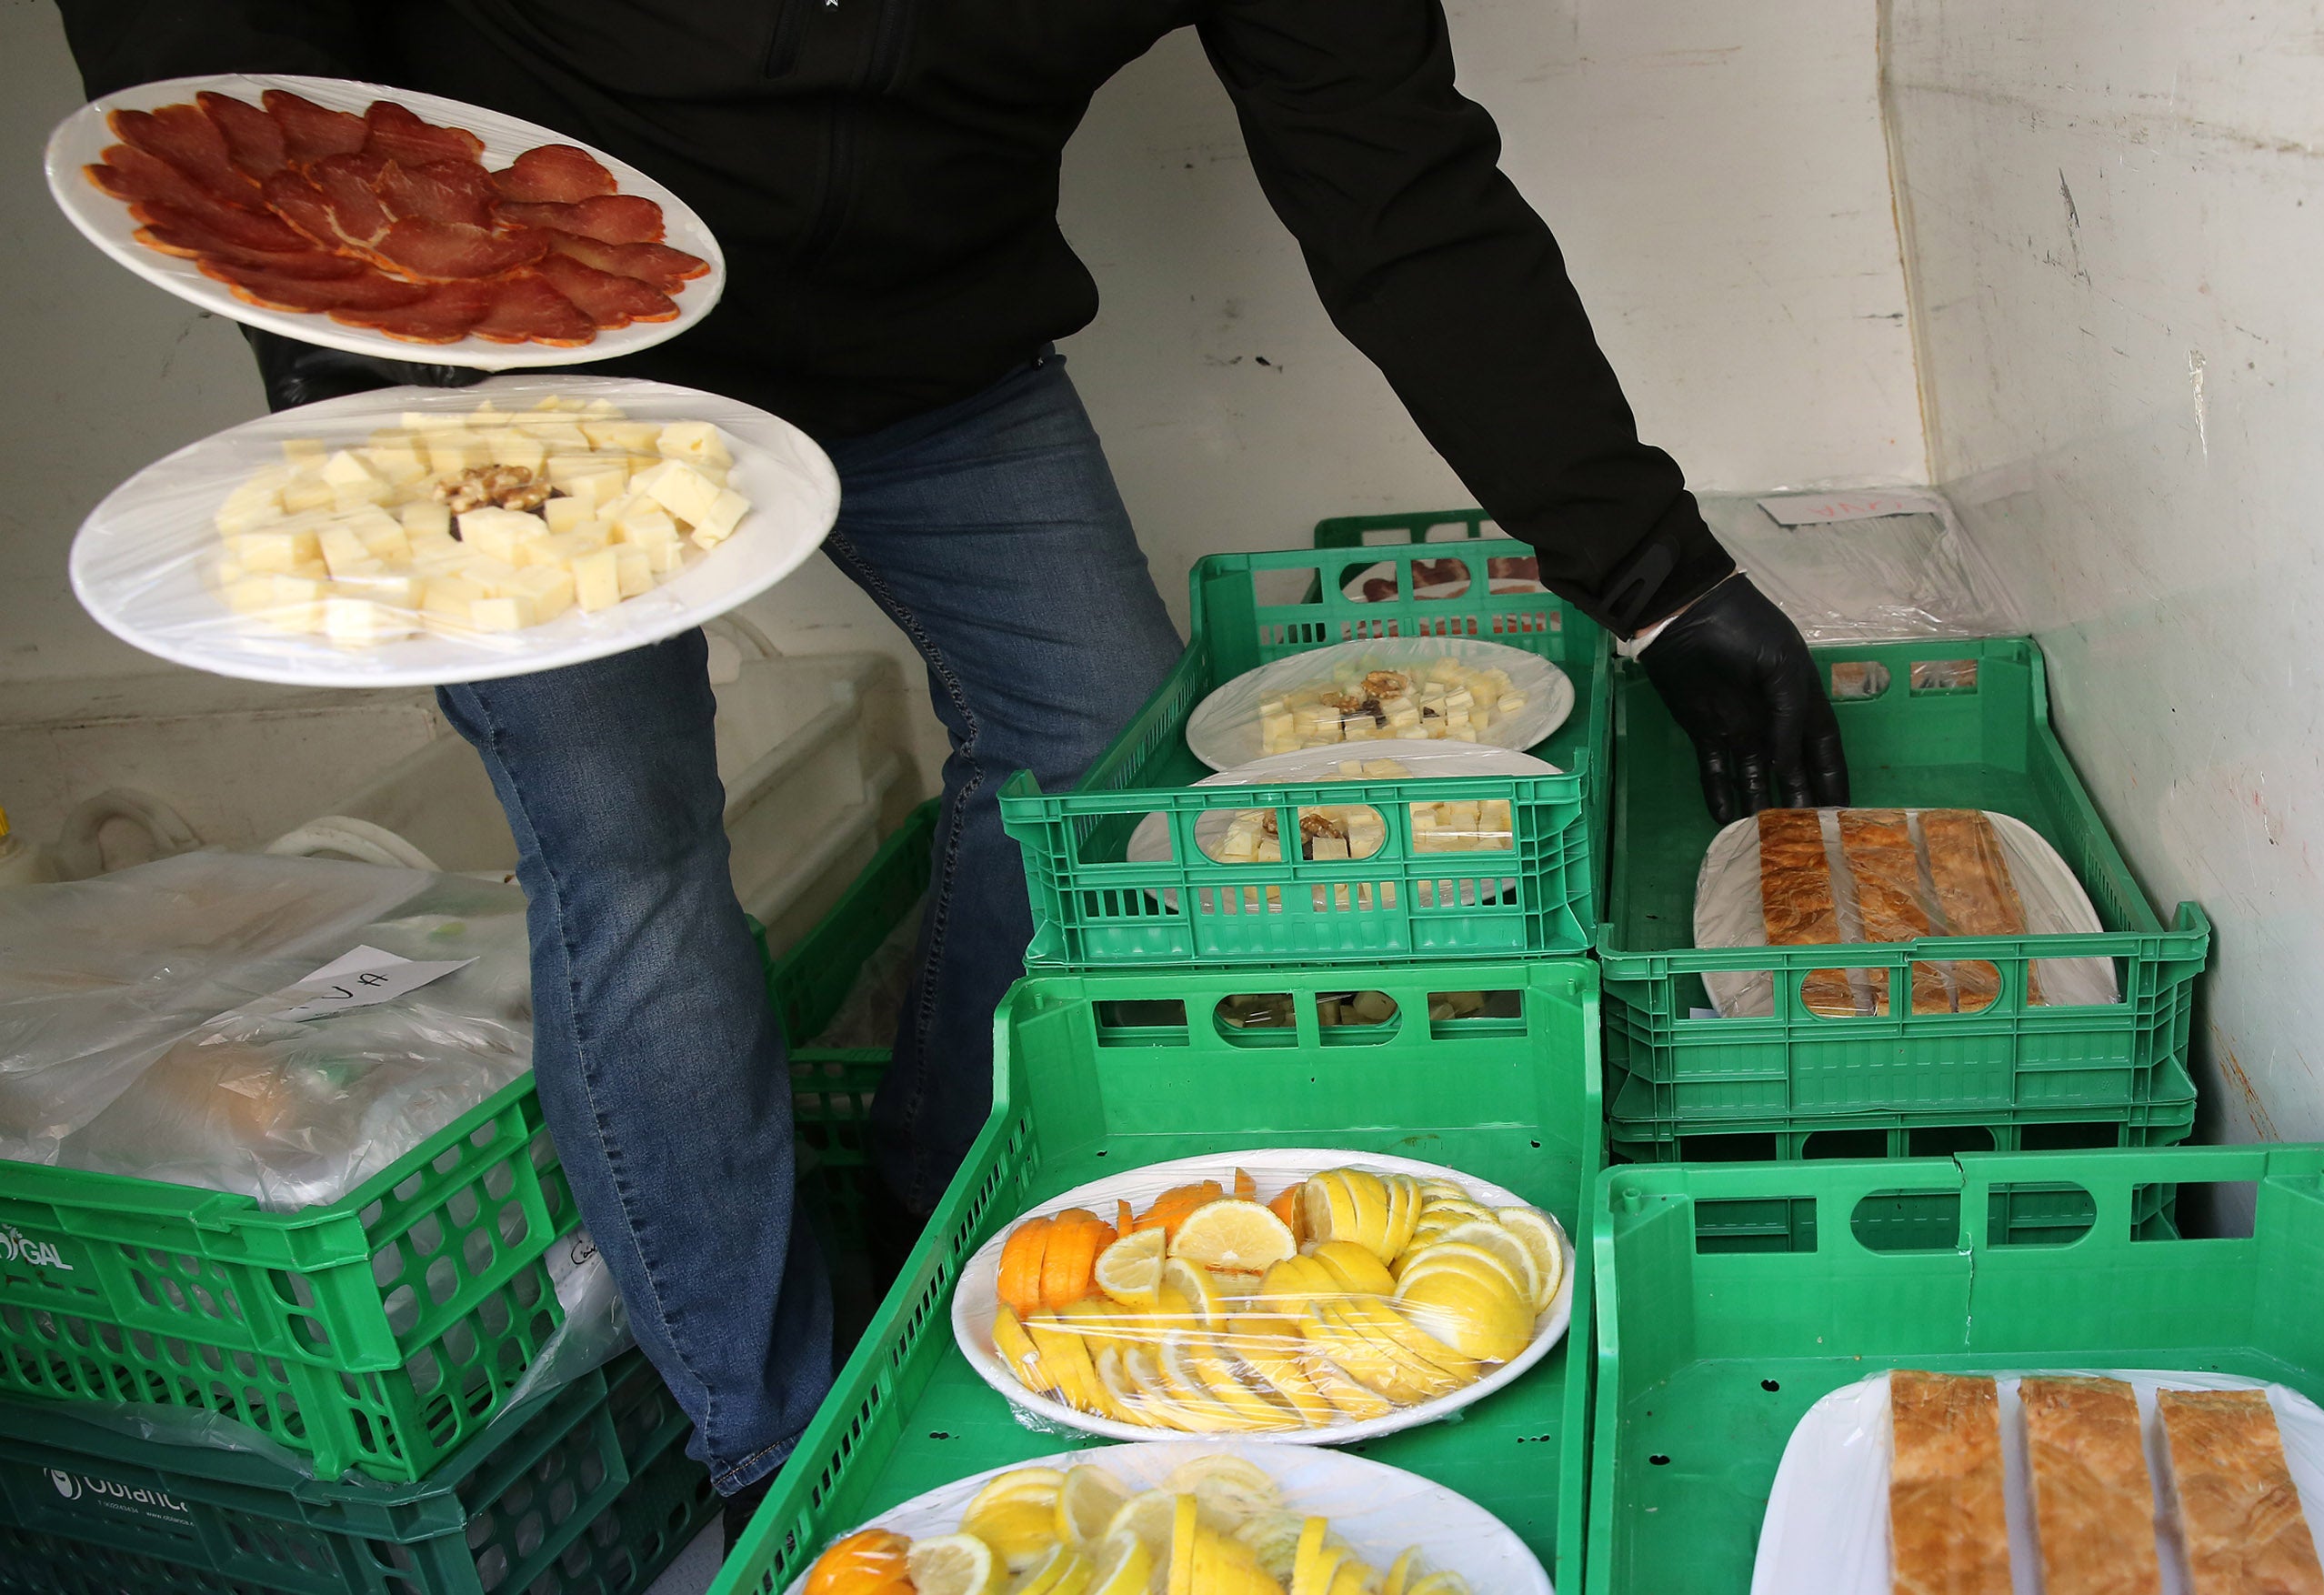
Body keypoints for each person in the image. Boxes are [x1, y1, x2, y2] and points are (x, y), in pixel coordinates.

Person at [57, 0, 1849, 1530]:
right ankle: (775, 1442)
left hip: (927, 343)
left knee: (1098, 750)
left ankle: (932, 1230)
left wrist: (1654, 577)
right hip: (510, 348)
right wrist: (334, 284)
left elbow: (1393, 175)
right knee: (631, 846)